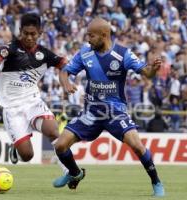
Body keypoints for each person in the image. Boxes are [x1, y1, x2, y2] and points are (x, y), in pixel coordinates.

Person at [53, 18, 165, 197]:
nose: (88, 39)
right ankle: (75, 173)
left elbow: (147, 73)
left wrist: (154, 69)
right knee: (60, 146)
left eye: (91, 35)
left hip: (115, 112)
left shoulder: (123, 54)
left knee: (137, 145)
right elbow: (65, 71)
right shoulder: (85, 52)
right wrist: (66, 83)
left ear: (104, 35)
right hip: (91, 112)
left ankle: (156, 182)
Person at [0, 13, 84, 189]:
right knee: (27, 155)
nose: (29, 37)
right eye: (25, 33)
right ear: (20, 32)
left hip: (33, 102)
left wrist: (65, 81)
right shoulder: (9, 49)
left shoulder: (44, 54)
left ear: (39, 32)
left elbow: (65, 65)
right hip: (12, 108)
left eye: (33, 34)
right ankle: (16, 148)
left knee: (54, 131)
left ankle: (71, 172)